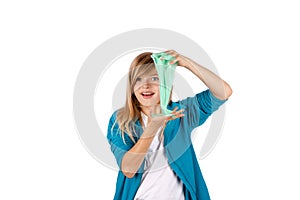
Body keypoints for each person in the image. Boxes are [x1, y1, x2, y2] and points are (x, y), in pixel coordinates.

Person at [107, 50, 232, 200]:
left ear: (165, 83)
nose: (145, 86)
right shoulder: (121, 120)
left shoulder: (180, 113)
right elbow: (128, 169)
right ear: (132, 86)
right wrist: (153, 127)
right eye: (138, 79)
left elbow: (223, 91)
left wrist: (186, 62)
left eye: (154, 78)